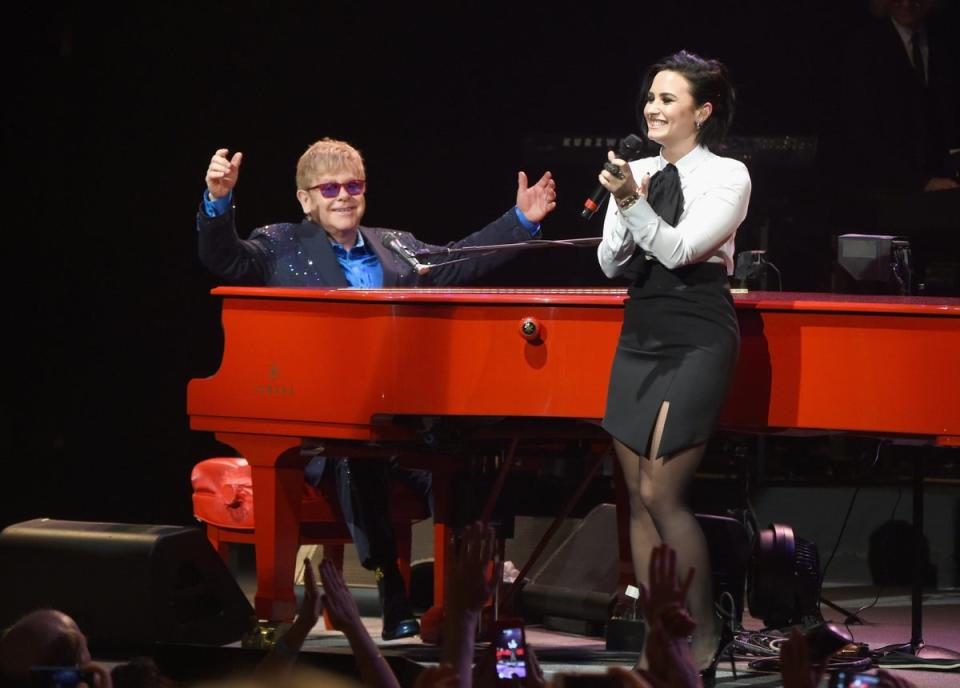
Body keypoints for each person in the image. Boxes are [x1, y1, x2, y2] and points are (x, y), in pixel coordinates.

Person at [198, 137, 557, 640]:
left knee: (464, 465)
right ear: (306, 199)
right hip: (321, 432)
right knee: (356, 458)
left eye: (353, 185)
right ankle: (392, 595)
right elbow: (226, 260)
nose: (343, 196)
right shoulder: (279, 243)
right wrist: (218, 202)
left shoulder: (395, 245)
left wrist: (520, 221)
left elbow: (458, 262)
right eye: (329, 188)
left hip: (403, 426)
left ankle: (473, 595)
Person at [595, 50, 751, 674]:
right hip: (642, 326)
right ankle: (665, 635)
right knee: (636, 494)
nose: (653, 108)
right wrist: (625, 201)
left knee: (663, 489)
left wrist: (633, 201)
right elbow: (611, 261)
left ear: (702, 112)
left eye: (668, 99)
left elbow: (683, 250)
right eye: (650, 98)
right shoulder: (632, 169)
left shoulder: (728, 175)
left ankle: (707, 632)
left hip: (697, 328)